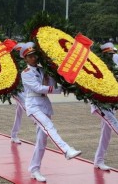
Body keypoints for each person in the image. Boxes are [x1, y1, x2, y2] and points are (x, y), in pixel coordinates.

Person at [20, 42, 81, 182]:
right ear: (25, 59)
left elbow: (51, 85)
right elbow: (38, 88)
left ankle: (34, 169)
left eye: (35, 55)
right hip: (33, 105)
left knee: (42, 141)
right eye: (30, 56)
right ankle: (66, 150)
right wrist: (60, 90)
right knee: (49, 126)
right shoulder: (26, 73)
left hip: (44, 104)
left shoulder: (43, 70)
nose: (33, 58)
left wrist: (57, 75)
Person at [89, 42, 118, 171]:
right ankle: (99, 160)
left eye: (112, 54)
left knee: (106, 133)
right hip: (100, 104)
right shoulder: (96, 68)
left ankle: (98, 160)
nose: (111, 57)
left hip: (110, 105)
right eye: (109, 54)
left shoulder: (113, 68)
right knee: (115, 125)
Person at [10, 43, 27, 144]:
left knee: (19, 112)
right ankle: (36, 119)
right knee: (25, 104)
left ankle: (14, 135)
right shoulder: (11, 61)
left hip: (24, 88)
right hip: (15, 89)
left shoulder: (24, 61)